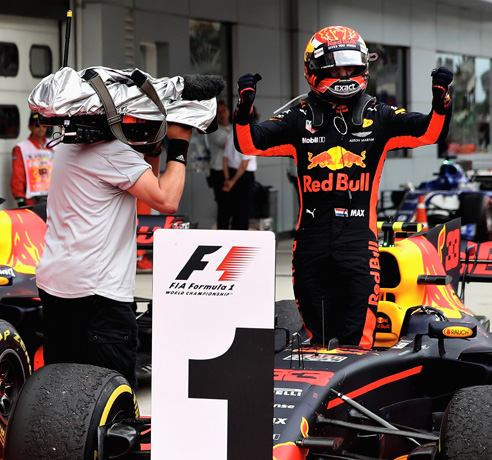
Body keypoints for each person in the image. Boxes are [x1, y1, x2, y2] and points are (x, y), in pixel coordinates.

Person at [233, 25, 453, 348]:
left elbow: (429, 132)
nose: (344, 75)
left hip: (358, 245)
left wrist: (441, 102)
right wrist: (243, 112)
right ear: (315, 70)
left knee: (357, 344)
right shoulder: (298, 118)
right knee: (317, 343)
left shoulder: (379, 116)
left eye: (350, 67)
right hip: (311, 245)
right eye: (336, 69)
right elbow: (249, 143)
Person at [36, 121, 193, 389]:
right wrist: (179, 144)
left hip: (57, 287)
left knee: (63, 392)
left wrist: (152, 146)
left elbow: (144, 184)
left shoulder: (66, 146)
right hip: (99, 296)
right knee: (112, 398)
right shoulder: (113, 153)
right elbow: (166, 200)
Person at [205, 101, 257, 229]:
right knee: (227, 208)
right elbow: (238, 157)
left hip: (230, 172)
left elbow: (227, 156)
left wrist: (229, 179)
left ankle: (230, 234)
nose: (222, 114)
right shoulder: (216, 130)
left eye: (224, 111)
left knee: (234, 208)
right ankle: (226, 233)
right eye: (219, 112)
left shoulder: (233, 130)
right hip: (221, 171)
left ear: (229, 112)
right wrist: (230, 180)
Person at [11, 111, 54, 207]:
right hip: (32, 200)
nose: (41, 128)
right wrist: (20, 199)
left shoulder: (54, 146)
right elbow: (17, 176)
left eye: (44, 126)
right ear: (29, 127)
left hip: (53, 197)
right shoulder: (20, 148)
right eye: (37, 125)